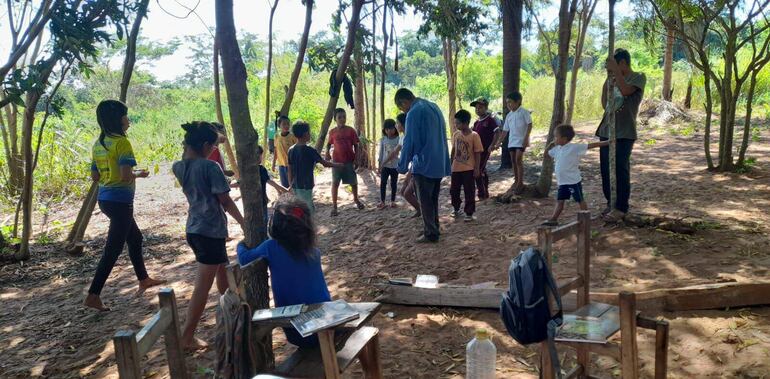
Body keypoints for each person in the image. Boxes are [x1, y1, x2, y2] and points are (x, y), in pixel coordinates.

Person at [84, 100, 165, 311]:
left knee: (135, 238)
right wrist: (140, 174)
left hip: (105, 199)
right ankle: (93, 294)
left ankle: (144, 279)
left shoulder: (98, 144)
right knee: (112, 249)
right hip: (120, 202)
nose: (128, 120)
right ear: (118, 119)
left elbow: (94, 176)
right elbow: (126, 175)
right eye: (126, 116)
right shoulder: (122, 143)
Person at [172, 121, 246, 350]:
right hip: (209, 232)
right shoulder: (210, 167)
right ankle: (187, 336)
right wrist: (244, 223)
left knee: (222, 270)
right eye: (213, 146)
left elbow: (194, 153)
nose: (215, 149)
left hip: (194, 228)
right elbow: (225, 200)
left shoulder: (179, 166)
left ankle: (230, 314)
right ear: (205, 146)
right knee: (202, 286)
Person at [237, 196, 331, 348]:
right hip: (330, 324)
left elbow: (244, 258)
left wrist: (241, 244)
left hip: (299, 333)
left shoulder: (271, 247)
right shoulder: (313, 251)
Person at [395, 88, 451, 243]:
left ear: (404, 102)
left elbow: (410, 141)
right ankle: (434, 226)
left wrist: (402, 165)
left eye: (402, 108)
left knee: (425, 200)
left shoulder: (414, 112)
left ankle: (431, 233)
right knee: (432, 199)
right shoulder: (434, 106)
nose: (404, 112)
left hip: (424, 163)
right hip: (439, 161)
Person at [597, 48, 646, 222]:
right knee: (605, 169)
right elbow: (606, 104)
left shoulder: (638, 77)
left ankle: (621, 207)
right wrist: (608, 80)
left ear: (623, 63)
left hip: (625, 132)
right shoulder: (612, 79)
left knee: (620, 168)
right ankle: (611, 203)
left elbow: (625, 91)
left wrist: (615, 73)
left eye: (614, 67)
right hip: (606, 130)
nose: (611, 72)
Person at [542, 124, 610, 226]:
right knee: (560, 201)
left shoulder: (574, 147)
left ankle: (586, 217)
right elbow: (546, 154)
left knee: (579, 199)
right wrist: (551, 144)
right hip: (562, 182)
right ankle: (553, 219)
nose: (554, 139)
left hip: (572, 181)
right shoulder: (557, 149)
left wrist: (607, 142)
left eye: (556, 137)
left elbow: (591, 145)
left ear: (564, 139)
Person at [288, 121, 341, 214]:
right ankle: (308, 225)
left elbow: (289, 169)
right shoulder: (310, 150)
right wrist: (338, 165)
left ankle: (303, 224)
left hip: (295, 184)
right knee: (307, 208)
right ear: (305, 134)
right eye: (309, 132)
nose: (309, 134)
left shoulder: (291, 150)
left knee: (300, 206)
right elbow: (324, 163)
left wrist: (290, 184)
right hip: (306, 184)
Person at [491, 91, 532, 195]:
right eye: (507, 102)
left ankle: (520, 183)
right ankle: (516, 180)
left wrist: (526, 138)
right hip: (512, 141)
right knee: (513, 160)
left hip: (521, 141)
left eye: (510, 102)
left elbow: (529, 125)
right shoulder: (509, 115)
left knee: (518, 159)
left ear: (518, 101)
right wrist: (498, 142)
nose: (508, 105)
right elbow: (505, 131)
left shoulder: (524, 112)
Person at [326, 108, 365, 216]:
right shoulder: (332, 132)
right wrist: (327, 153)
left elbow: (356, 145)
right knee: (335, 183)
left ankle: (356, 200)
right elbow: (329, 144)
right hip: (336, 162)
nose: (342, 119)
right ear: (335, 119)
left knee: (353, 183)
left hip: (349, 161)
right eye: (339, 117)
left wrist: (357, 159)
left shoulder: (350, 130)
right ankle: (334, 206)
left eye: (344, 117)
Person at [450, 110, 483, 222]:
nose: (456, 125)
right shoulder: (456, 135)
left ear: (466, 123)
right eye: (455, 123)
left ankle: (469, 212)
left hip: (469, 168)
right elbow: (453, 150)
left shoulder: (474, 135)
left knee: (469, 191)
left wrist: (477, 168)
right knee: (454, 190)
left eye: (458, 123)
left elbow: (478, 152)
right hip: (456, 168)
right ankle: (455, 207)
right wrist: (450, 165)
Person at [388, 113, 421, 217]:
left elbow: (413, 158)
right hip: (413, 168)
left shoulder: (411, 136)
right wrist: (384, 163)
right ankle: (420, 210)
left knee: (407, 193)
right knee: (404, 191)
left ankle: (423, 211)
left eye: (397, 123)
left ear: (402, 124)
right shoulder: (403, 137)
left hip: (418, 168)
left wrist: (407, 173)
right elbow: (395, 151)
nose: (396, 125)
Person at [470, 97, 501, 200]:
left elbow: (497, 132)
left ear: (486, 107)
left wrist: (492, 144)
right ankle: (485, 190)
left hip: (485, 149)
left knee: (478, 170)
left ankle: (482, 193)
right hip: (477, 150)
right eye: (476, 108)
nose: (478, 109)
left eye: (480, 107)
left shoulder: (490, 120)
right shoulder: (476, 122)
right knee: (481, 170)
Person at [256, 145, 289, 231]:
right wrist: (284, 189)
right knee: (263, 221)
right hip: (261, 200)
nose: (261, 158)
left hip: (251, 202)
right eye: (260, 155)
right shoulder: (261, 169)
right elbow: (271, 182)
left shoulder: (246, 171)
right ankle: (263, 237)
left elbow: (239, 183)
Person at [377, 119, 401, 209]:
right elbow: (381, 153)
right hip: (385, 166)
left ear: (395, 128)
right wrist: (380, 165)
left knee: (393, 183)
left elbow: (399, 153)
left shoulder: (398, 139)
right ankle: (382, 201)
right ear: (384, 130)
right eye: (387, 129)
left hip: (395, 166)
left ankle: (392, 201)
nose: (389, 131)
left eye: (391, 129)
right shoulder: (383, 139)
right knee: (383, 183)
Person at [271, 115, 296, 187]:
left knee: (292, 184)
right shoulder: (277, 137)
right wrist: (273, 164)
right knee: (284, 184)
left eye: (288, 124)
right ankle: (287, 198)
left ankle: (294, 197)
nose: (286, 126)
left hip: (291, 165)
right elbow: (276, 150)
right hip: (281, 164)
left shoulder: (292, 136)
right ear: (279, 126)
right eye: (284, 124)